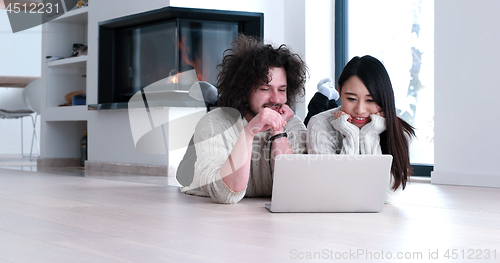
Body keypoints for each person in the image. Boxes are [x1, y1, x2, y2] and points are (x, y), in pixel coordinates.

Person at [181, 34, 308, 204]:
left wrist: (278, 131)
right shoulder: (213, 122)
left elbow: (295, 190)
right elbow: (226, 194)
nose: (276, 99)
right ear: (245, 90)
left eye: (282, 90)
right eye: (265, 89)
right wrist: (249, 132)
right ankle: (216, 100)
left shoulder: (292, 124)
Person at [306, 55, 415, 203]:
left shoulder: (399, 131)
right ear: (339, 92)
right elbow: (333, 191)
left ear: (384, 98)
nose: (360, 109)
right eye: (351, 99)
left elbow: (387, 196)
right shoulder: (319, 125)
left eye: (370, 100)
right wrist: (351, 134)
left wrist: (370, 135)